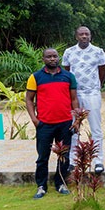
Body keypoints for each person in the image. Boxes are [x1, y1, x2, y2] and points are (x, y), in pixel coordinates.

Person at [26, 48, 79, 199]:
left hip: (65, 124)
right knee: (43, 156)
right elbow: (29, 100)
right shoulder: (35, 77)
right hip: (45, 125)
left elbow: (74, 99)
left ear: (58, 58)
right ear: (43, 59)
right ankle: (41, 186)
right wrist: (35, 120)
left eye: (54, 56)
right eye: (48, 56)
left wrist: (77, 120)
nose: (52, 59)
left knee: (64, 156)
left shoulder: (68, 76)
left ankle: (61, 183)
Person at [62, 26, 105, 174]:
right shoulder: (69, 52)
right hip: (74, 94)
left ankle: (98, 160)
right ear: (76, 37)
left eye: (87, 34)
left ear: (90, 36)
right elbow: (66, 72)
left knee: (96, 128)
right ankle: (73, 160)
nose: (84, 36)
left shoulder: (98, 52)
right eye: (81, 34)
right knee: (74, 128)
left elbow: (102, 71)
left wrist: (96, 86)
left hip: (92, 93)